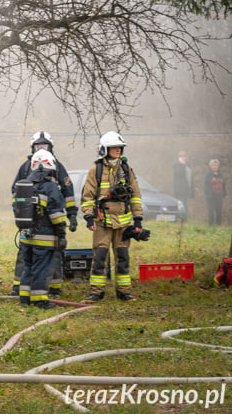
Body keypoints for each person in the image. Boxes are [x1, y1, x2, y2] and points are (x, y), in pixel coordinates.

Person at [8, 131, 78, 298]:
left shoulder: (57, 166)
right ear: (32, 148)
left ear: (50, 147)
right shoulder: (26, 167)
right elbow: (15, 191)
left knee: (53, 254)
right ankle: (18, 287)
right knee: (24, 255)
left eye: (44, 146)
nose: (41, 149)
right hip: (30, 219)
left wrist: (72, 215)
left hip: (48, 218)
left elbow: (68, 191)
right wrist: (21, 212)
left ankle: (54, 288)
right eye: (38, 146)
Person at [80, 131, 144, 303]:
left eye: (119, 147)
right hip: (102, 222)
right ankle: (96, 292)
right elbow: (87, 196)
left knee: (123, 257)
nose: (118, 150)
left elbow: (136, 196)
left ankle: (124, 292)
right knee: (100, 257)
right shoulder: (96, 169)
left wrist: (137, 219)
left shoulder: (126, 169)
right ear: (105, 149)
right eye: (114, 147)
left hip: (123, 223)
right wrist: (89, 218)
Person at [15, 149, 68, 309]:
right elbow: (57, 215)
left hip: (25, 235)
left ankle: (24, 298)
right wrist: (61, 235)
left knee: (28, 266)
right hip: (44, 237)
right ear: (50, 166)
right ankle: (39, 300)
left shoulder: (25, 185)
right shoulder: (50, 187)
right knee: (42, 268)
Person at [203, 159, 226, 226]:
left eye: (216, 165)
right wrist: (207, 194)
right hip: (210, 196)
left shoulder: (221, 175)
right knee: (211, 211)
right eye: (213, 165)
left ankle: (218, 224)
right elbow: (205, 185)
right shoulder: (207, 175)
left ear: (218, 166)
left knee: (219, 210)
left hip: (219, 195)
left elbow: (223, 184)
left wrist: (224, 193)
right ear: (210, 166)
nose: (215, 166)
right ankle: (211, 225)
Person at [173, 150, 194, 220]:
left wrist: (192, 189)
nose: (183, 157)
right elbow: (179, 173)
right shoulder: (176, 165)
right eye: (181, 156)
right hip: (180, 190)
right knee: (181, 206)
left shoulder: (187, 165)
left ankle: (185, 220)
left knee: (186, 206)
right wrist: (182, 165)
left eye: (184, 156)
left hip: (187, 190)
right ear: (179, 157)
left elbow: (190, 178)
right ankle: (179, 220)